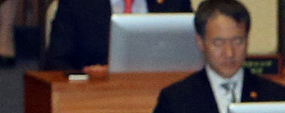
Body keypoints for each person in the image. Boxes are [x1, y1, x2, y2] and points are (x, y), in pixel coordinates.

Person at [131, 0, 285, 113]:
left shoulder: (275, 95)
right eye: (218, 43)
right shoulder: (177, 99)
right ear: (200, 43)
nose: (229, 53)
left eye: (238, 41)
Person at [42, 0, 193, 74]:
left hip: (161, 97)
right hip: (96, 100)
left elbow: (192, 54)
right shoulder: (78, 4)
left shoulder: (174, 2)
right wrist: (88, 75)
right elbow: (55, 62)